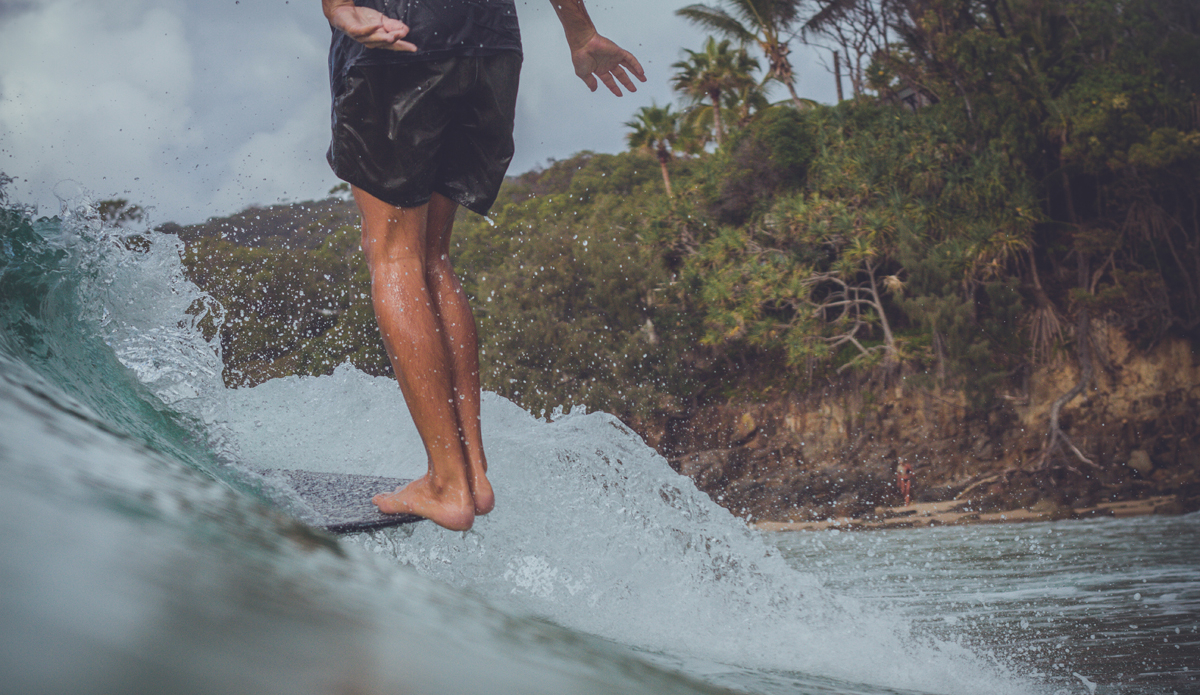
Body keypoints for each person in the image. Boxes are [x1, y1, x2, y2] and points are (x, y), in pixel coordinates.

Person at [321, 0, 645, 531]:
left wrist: (338, 8)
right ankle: (470, 473)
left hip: (399, 34)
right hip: (492, 42)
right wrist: (581, 33)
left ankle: (446, 485)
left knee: (395, 255)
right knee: (432, 257)